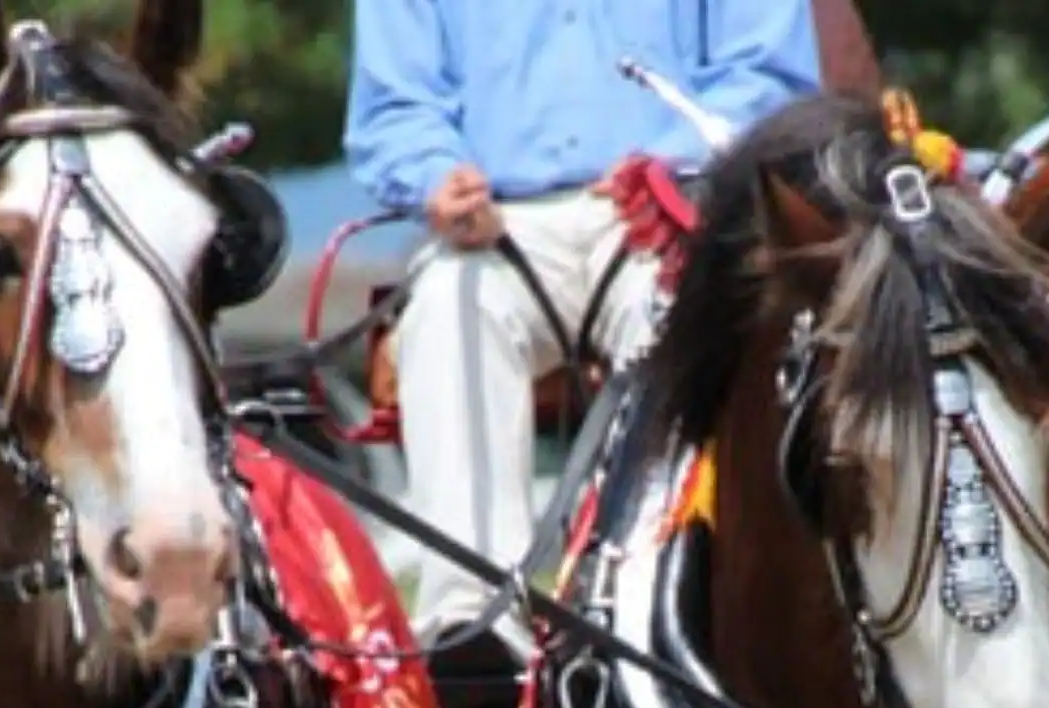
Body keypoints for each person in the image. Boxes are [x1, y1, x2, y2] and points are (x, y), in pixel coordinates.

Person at [343, 0, 823, 673]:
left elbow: (770, 79)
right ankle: (472, 625)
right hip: (495, 222)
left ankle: (644, 599)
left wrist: (671, 166)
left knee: (680, 309)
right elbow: (394, 108)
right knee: (453, 301)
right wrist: (435, 175)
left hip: (669, 204)